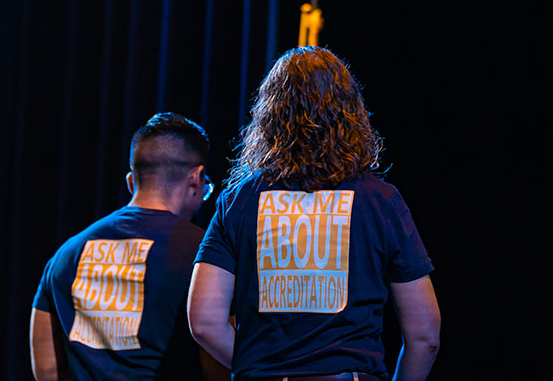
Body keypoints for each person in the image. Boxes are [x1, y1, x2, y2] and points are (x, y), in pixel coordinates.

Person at [187, 46, 440, 381]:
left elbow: (204, 321)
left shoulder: (238, 200)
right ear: (350, 112)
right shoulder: (380, 200)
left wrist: (260, 367)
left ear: (270, 115)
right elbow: (425, 336)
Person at [30, 112, 229, 381]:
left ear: (132, 181)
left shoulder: (65, 254)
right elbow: (217, 365)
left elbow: (47, 370)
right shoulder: (205, 253)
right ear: (196, 178)